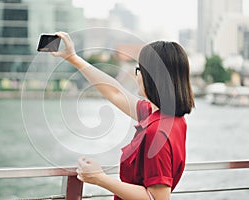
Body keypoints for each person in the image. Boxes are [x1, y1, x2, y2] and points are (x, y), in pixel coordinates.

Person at [51, 32, 195, 200]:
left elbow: (157, 198)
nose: (137, 75)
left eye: (139, 69)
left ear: (152, 77)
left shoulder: (156, 131)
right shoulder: (168, 118)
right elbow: (115, 92)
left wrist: (99, 178)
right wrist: (73, 58)